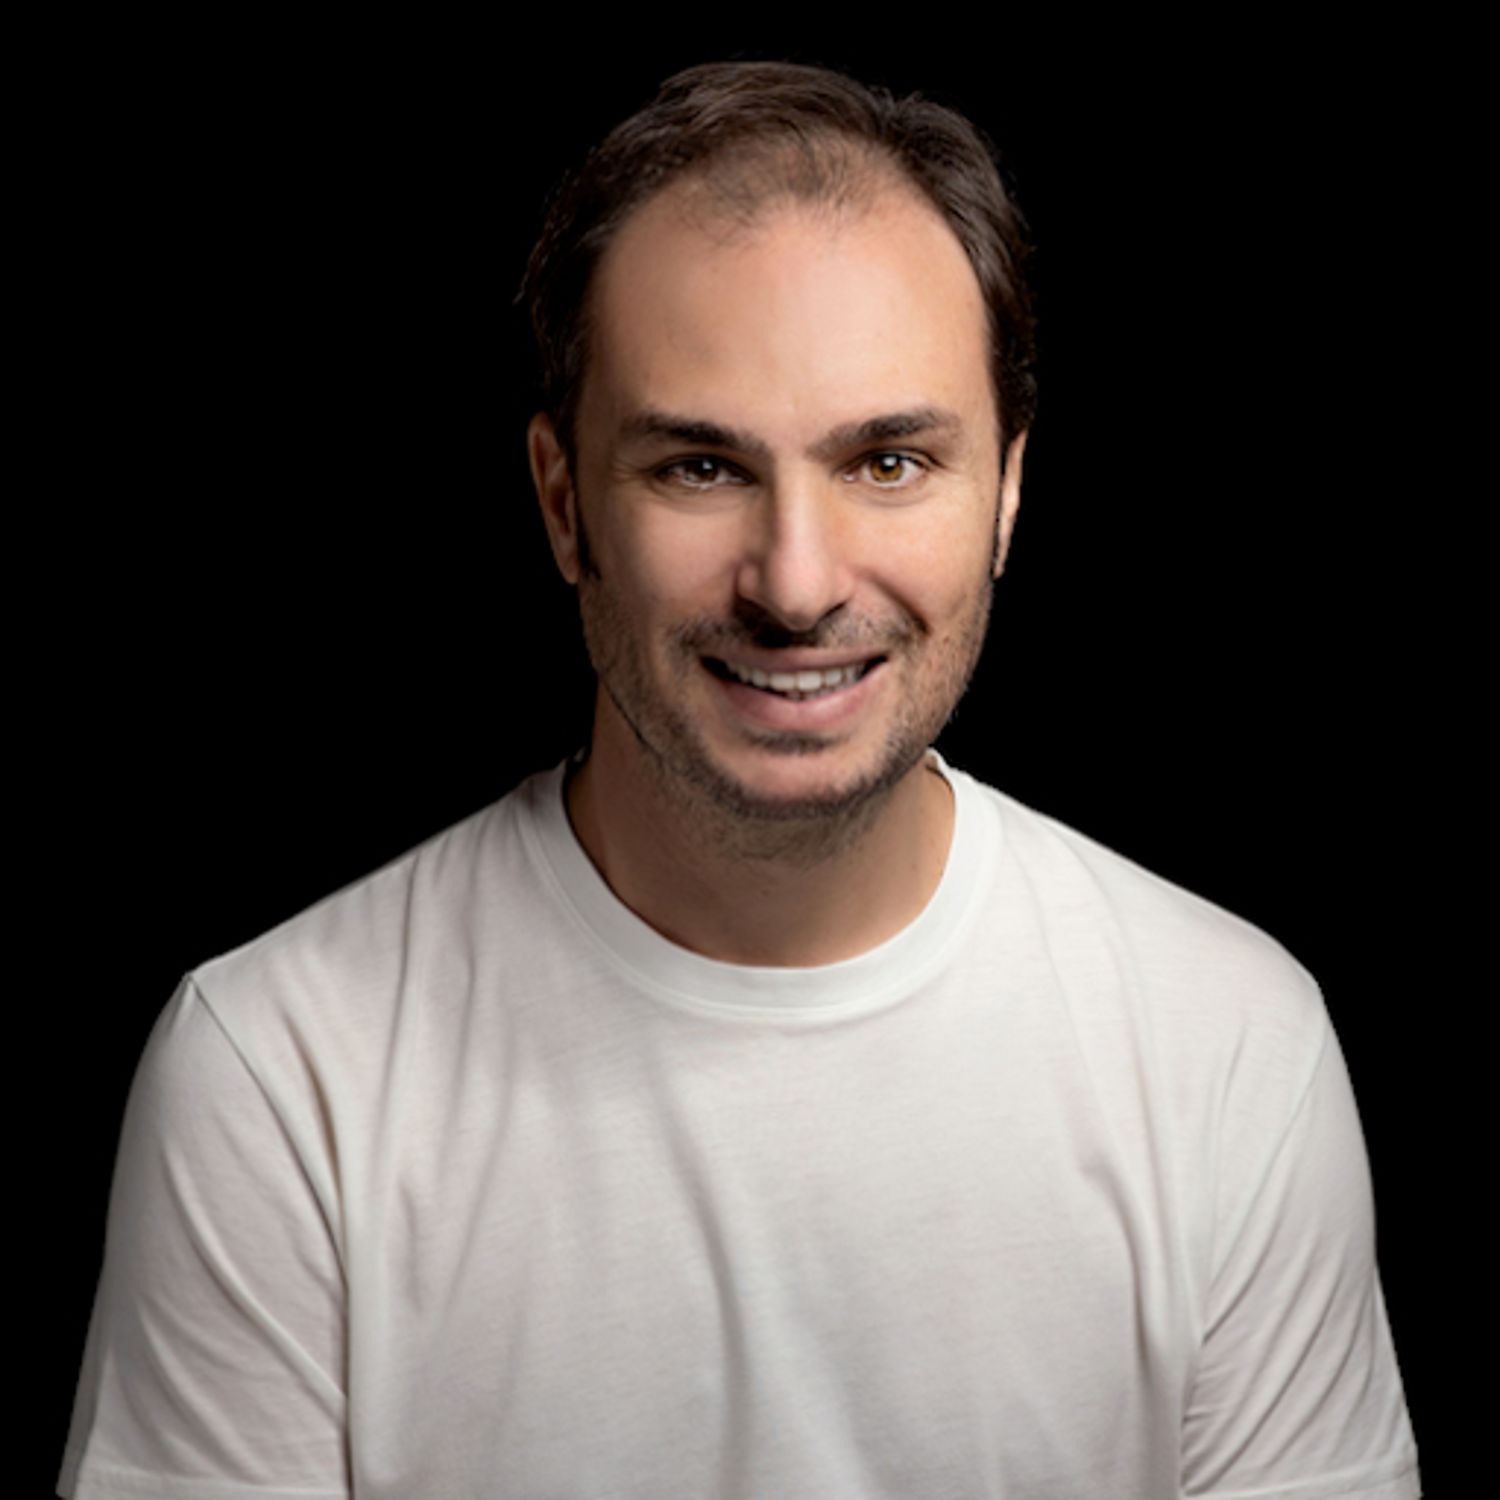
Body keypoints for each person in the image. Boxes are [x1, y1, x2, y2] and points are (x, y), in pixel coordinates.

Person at [60, 61, 1421, 1499]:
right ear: (563, 502)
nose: (797, 583)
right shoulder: (279, 1077)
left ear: (1009, 494)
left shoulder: (1228, 1049)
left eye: (889, 461)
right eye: (701, 468)